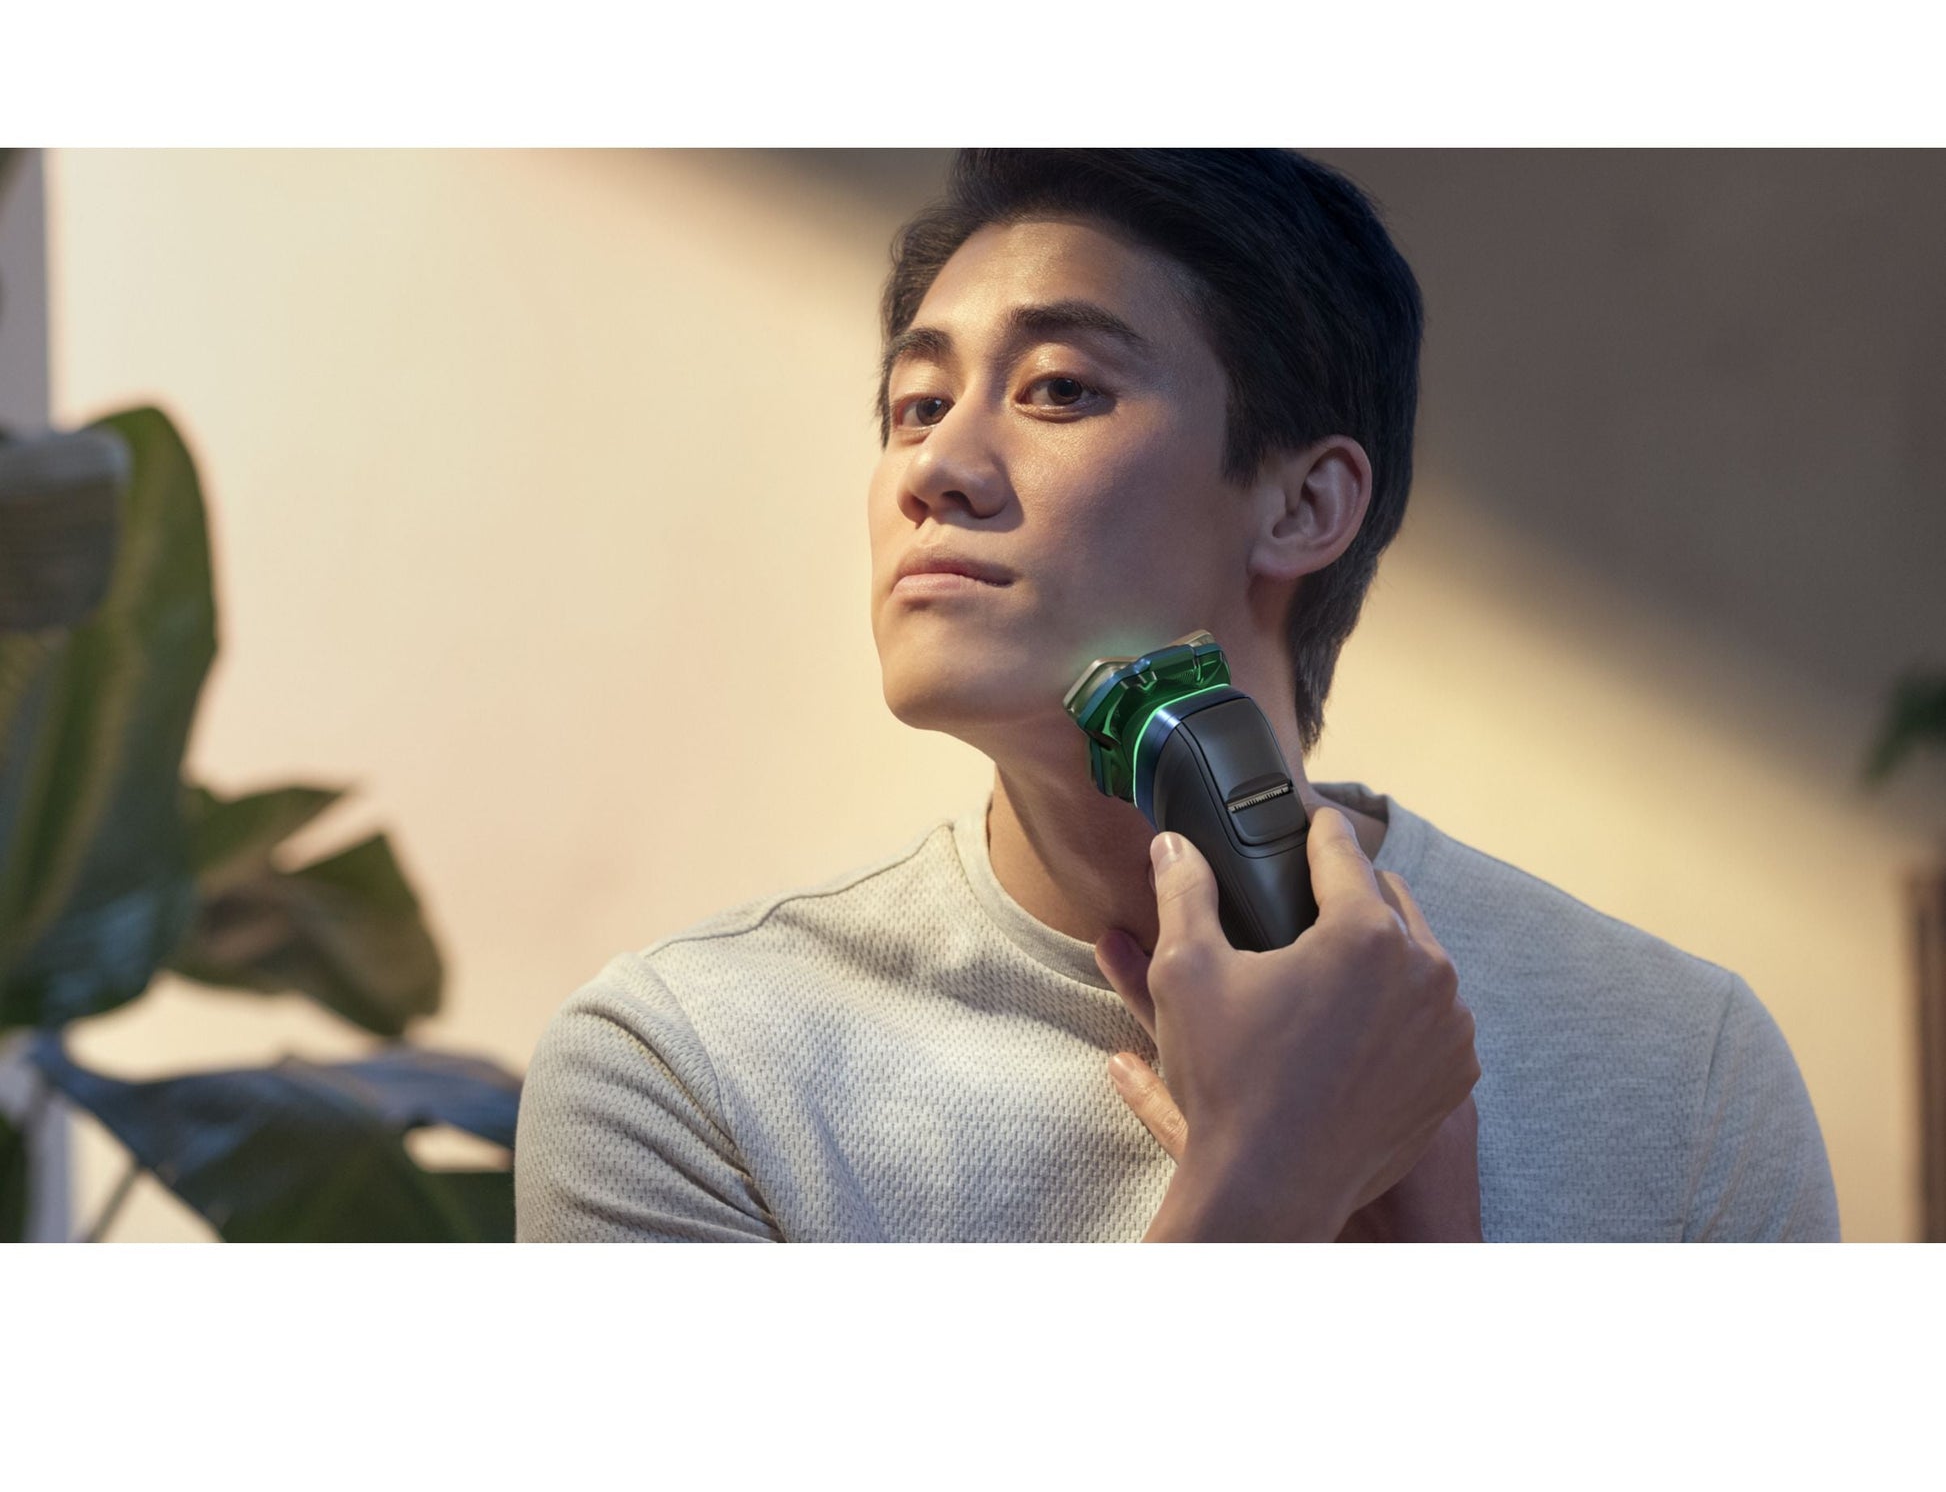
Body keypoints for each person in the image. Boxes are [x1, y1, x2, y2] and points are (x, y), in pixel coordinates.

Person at [513, 149, 1840, 1242]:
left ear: (1303, 503)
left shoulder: (1682, 1065)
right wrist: (1264, 1185)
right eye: (915, 404)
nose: (934, 468)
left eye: (1058, 389)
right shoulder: (685, 1073)